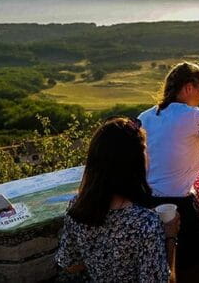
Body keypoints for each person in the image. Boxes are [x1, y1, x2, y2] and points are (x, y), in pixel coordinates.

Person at [56, 116, 180, 282]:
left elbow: (69, 264)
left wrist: (102, 262)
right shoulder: (146, 224)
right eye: (144, 151)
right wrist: (170, 237)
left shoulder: (77, 206)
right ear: (136, 162)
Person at [138, 62, 199, 283]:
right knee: (190, 270)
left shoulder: (145, 117)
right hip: (180, 208)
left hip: (144, 204)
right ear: (188, 88)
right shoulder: (195, 117)